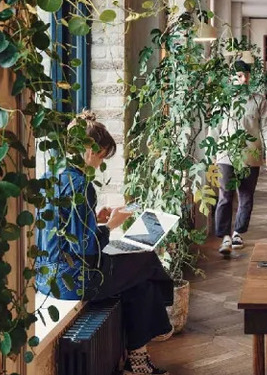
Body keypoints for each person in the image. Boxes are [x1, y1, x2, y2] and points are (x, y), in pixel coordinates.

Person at [36, 111, 173, 375]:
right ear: (90, 150)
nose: (99, 165)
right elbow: (85, 249)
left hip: (47, 277)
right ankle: (159, 329)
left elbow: (68, 236)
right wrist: (111, 225)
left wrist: (95, 221)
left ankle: (139, 362)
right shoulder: (80, 185)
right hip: (75, 279)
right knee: (146, 261)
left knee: (140, 280)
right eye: (101, 157)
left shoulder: (51, 176)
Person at [214, 59, 267, 255]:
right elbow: (214, 128)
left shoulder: (258, 100)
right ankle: (224, 236)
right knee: (225, 196)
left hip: (251, 154)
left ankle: (238, 233)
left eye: (246, 75)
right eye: (240, 76)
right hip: (226, 154)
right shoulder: (222, 100)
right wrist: (211, 153)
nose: (244, 79)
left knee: (246, 196)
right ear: (231, 78)